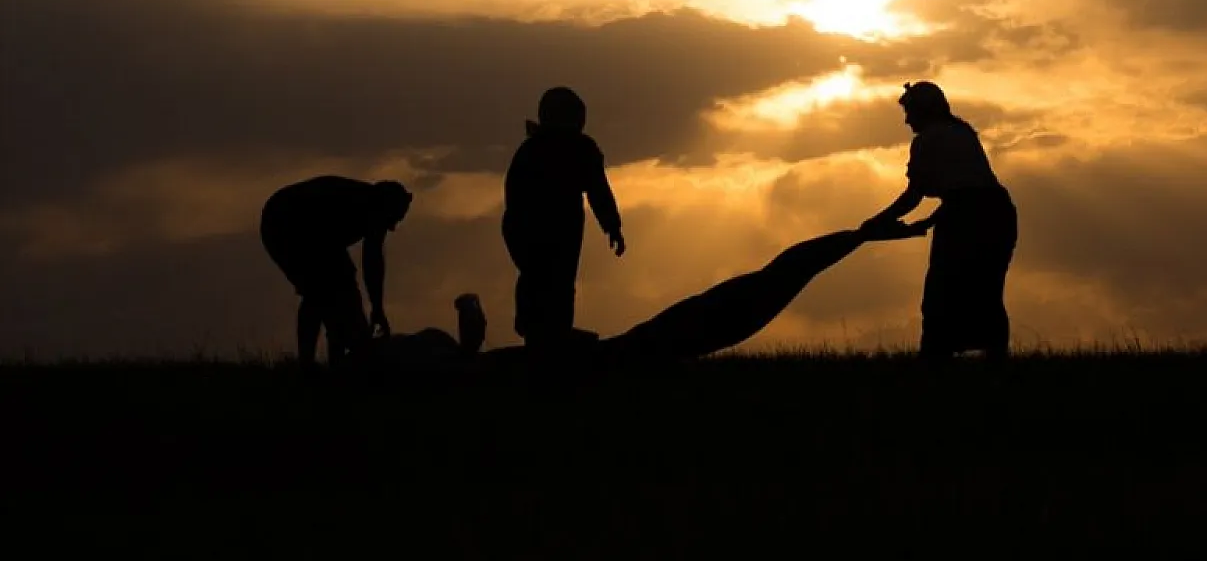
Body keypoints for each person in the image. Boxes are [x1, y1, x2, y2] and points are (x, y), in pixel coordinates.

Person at [355, 219, 931, 370]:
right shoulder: (449, 367)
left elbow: (475, 334)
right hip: (611, 357)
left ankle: (857, 236)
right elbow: (475, 334)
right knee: (754, 292)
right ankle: (857, 236)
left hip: (609, 353)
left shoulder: (444, 361)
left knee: (757, 289)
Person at [862, 81, 1018, 359]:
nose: (907, 120)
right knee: (988, 293)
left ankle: (935, 362)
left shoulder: (927, 140)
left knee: (940, 294)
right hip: (998, 214)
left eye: (909, 112)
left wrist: (873, 223)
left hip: (968, 218)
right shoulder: (963, 132)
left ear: (924, 110)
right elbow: (966, 190)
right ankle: (994, 360)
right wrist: (931, 221)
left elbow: (915, 196)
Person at [502, 86, 626, 357]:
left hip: (542, 231)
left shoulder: (534, 150)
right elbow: (598, 189)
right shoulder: (576, 149)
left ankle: (546, 338)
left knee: (548, 284)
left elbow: (597, 190)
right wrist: (612, 225)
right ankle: (543, 339)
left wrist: (612, 225)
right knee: (548, 284)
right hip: (545, 230)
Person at [259, 175, 412, 367]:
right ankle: (315, 362)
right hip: (288, 224)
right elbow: (372, 262)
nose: (393, 227)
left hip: (296, 224)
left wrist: (374, 308)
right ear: (388, 206)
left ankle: (325, 358)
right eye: (394, 219)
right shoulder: (373, 207)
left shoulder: (370, 202)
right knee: (319, 291)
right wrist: (377, 308)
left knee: (324, 292)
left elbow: (362, 267)